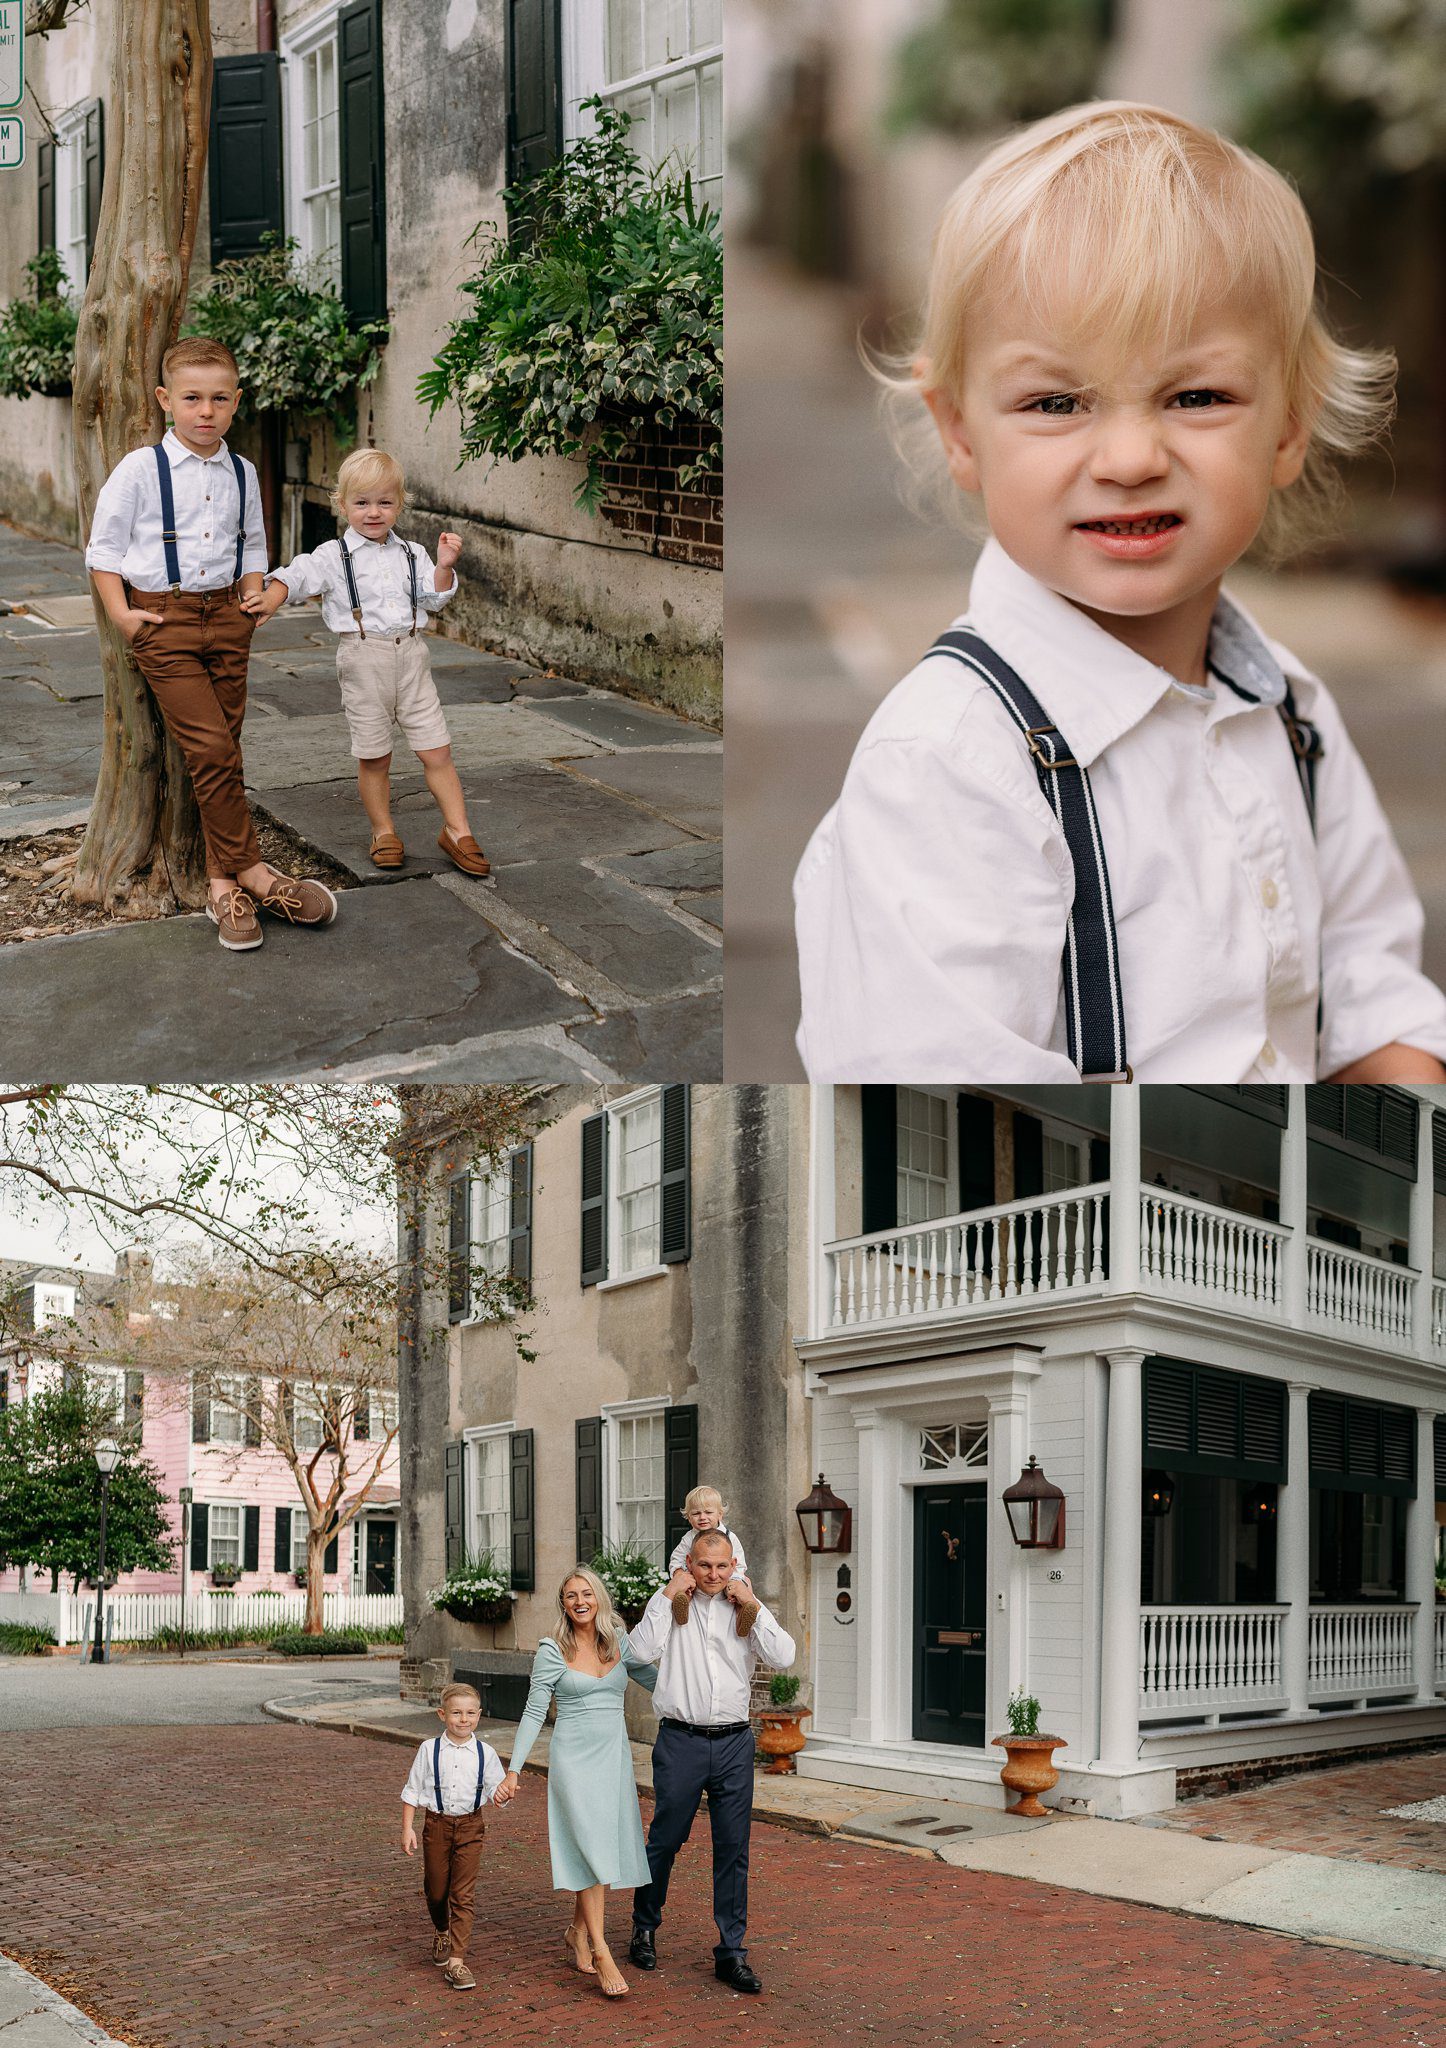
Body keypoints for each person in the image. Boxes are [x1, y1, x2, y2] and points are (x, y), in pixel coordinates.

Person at [793, 101, 1446, 1085]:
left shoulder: (1292, 712)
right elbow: (947, 1103)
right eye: (1057, 402)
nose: (1133, 457)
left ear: (1288, 426)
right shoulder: (950, 766)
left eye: (1198, 396)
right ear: (961, 430)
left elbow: (1364, 978)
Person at [85, 336, 339, 951]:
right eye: (193, 398)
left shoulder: (243, 470)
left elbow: (252, 541)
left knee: (225, 747)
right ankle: (255, 871)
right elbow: (104, 551)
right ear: (165, 400)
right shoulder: (140, 469)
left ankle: (222, 886)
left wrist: (254, 594)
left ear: (236, 403)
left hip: (228, 617)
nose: (206, 411)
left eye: (219, 399)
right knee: (210, 746)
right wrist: (123, 616)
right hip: (164, 623)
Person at [243, 448, 490, 878]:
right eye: (361, 503)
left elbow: (433, 598)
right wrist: (272, 596)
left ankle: (457, 829)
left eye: (384, 502)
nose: (373, 512)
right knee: (375, 755)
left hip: (411, 656)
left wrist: (445, 567)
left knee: (438, 749)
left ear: (400, 503)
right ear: (342, 505)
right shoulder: (332, 555)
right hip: (362, 657)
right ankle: (383, 831)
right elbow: (297, 574)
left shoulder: (412, 553)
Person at [626, 1528, 797, 1996]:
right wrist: (667, 1594)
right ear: (689, 1564)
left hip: (734, 1744)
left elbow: (784, 1655)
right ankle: (644, 1927)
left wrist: (755, 1605)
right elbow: (637, 1652)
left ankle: (731, 1953)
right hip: (680, 1742)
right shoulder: (671, 1605)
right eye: (705, 1566)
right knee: (665, 1838)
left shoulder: (743, 1609)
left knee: (733, 1850)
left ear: (733, 1565)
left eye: (722, 1566)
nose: (714, 1575)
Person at [495, 1567, 658, 1999]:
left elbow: (659, 1682)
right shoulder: (552, 1650)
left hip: (614, 1759)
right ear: (563, 1604)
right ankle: (602, 1951)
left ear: (599, 1598)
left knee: (601, 1846)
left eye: (587, 1593)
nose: (580, 1601)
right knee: (588, 1844)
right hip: (573, 1758)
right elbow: (533, 1712)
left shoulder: (620, 1642)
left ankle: (577, 1931)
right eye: (571, 1596)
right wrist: (513, 1770)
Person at [399, 1681, 506, 1993]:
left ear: (479, 1715)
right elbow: (412, 1791)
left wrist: (503, 1793)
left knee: (463, 1894)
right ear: (442, 1714)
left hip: (472, 1826)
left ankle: (456, 1962)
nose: (464, 1719)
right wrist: (407, 1827)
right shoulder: (428, 1750)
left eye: (470, 1713)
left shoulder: (486, 1753)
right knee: (435, 1891)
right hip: (436, 1826)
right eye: (457, 1713)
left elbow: (497, 1793)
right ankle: (441, 1928)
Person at [662, 1485, 759, 1634]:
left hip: (729, 1578)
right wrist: (680, 1573)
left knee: (744, 1589)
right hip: (697, 1580)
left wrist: (734, 1579)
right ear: (688, 1517)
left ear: (720, 1514)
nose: (702, 1517)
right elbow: (676, 1559)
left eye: (708, 1512)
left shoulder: (729, 1537)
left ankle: (744, 1617)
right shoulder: (688, 1539)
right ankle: (682, 1609)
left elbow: (739, 1563)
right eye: (696, 1513)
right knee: (685, 1589)